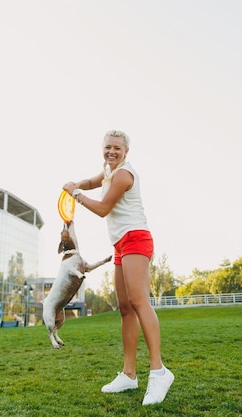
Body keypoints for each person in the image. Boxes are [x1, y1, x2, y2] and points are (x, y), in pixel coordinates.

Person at [62, 130, 174, 406]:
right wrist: (77, 183)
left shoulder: (124, 174)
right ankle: (129, 374)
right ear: (103, 149)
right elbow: (91, 181)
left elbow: (102, 209)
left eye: (117, 148)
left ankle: (159, 372)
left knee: (139, 302)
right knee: (124, 307)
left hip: (136, 238)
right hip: (120, 244)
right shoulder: (108, 171)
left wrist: (75, 194)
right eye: (108, 147)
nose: (112, 152)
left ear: (126, 152)